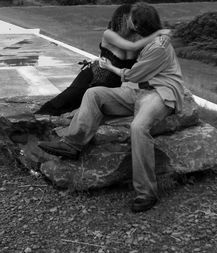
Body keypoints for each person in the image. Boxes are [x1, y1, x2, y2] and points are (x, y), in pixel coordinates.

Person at [38, 2, 185, 213]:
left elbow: (133, 74)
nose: (128, 21)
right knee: (94, 93)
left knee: (138, 128)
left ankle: (147, 193)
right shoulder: (145, 40)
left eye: (132, 18)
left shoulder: (159, 47)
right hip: (138, 92)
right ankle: (73, 143)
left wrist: (109, 67)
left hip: (160, 93)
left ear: (139, 23)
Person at [35, 4, 171, 116]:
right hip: (93, 76)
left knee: (84, 108)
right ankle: (38, 118)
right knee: (65, 100)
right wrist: (157, 33)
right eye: (132, 17)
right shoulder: (109, 34)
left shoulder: (141, 39)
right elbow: (131, 47)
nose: (135, 20)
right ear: (122, 19)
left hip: (111, 83)